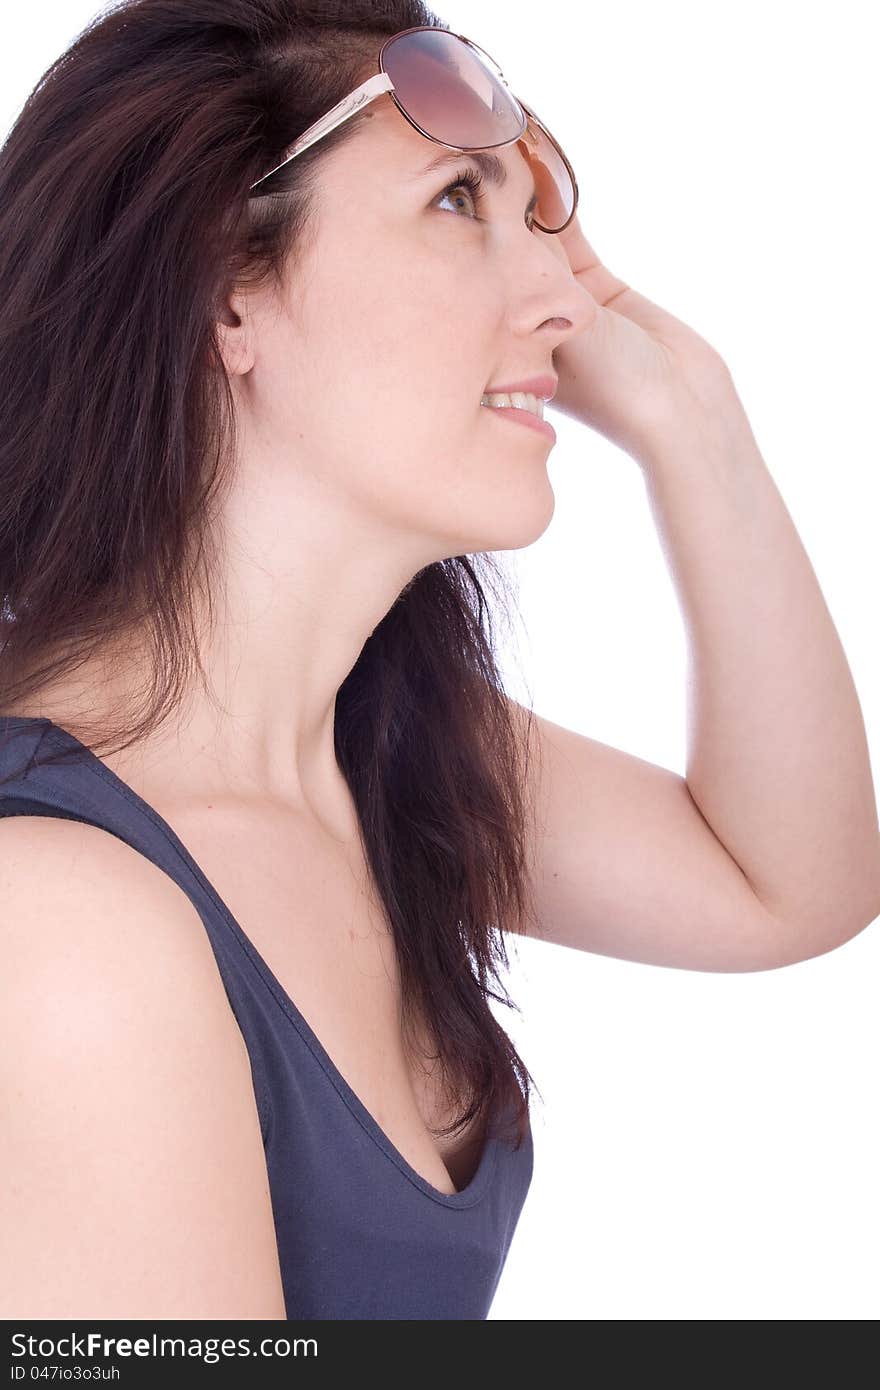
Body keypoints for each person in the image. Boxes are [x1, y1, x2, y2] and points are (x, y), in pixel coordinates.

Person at [3, 0, 879, 1324]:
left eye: (533, 215)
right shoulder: (60, 921)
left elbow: (791, 882)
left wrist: (694, 421)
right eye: (457, 201)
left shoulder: (385, 746)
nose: (563, 297)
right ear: (226, 286)